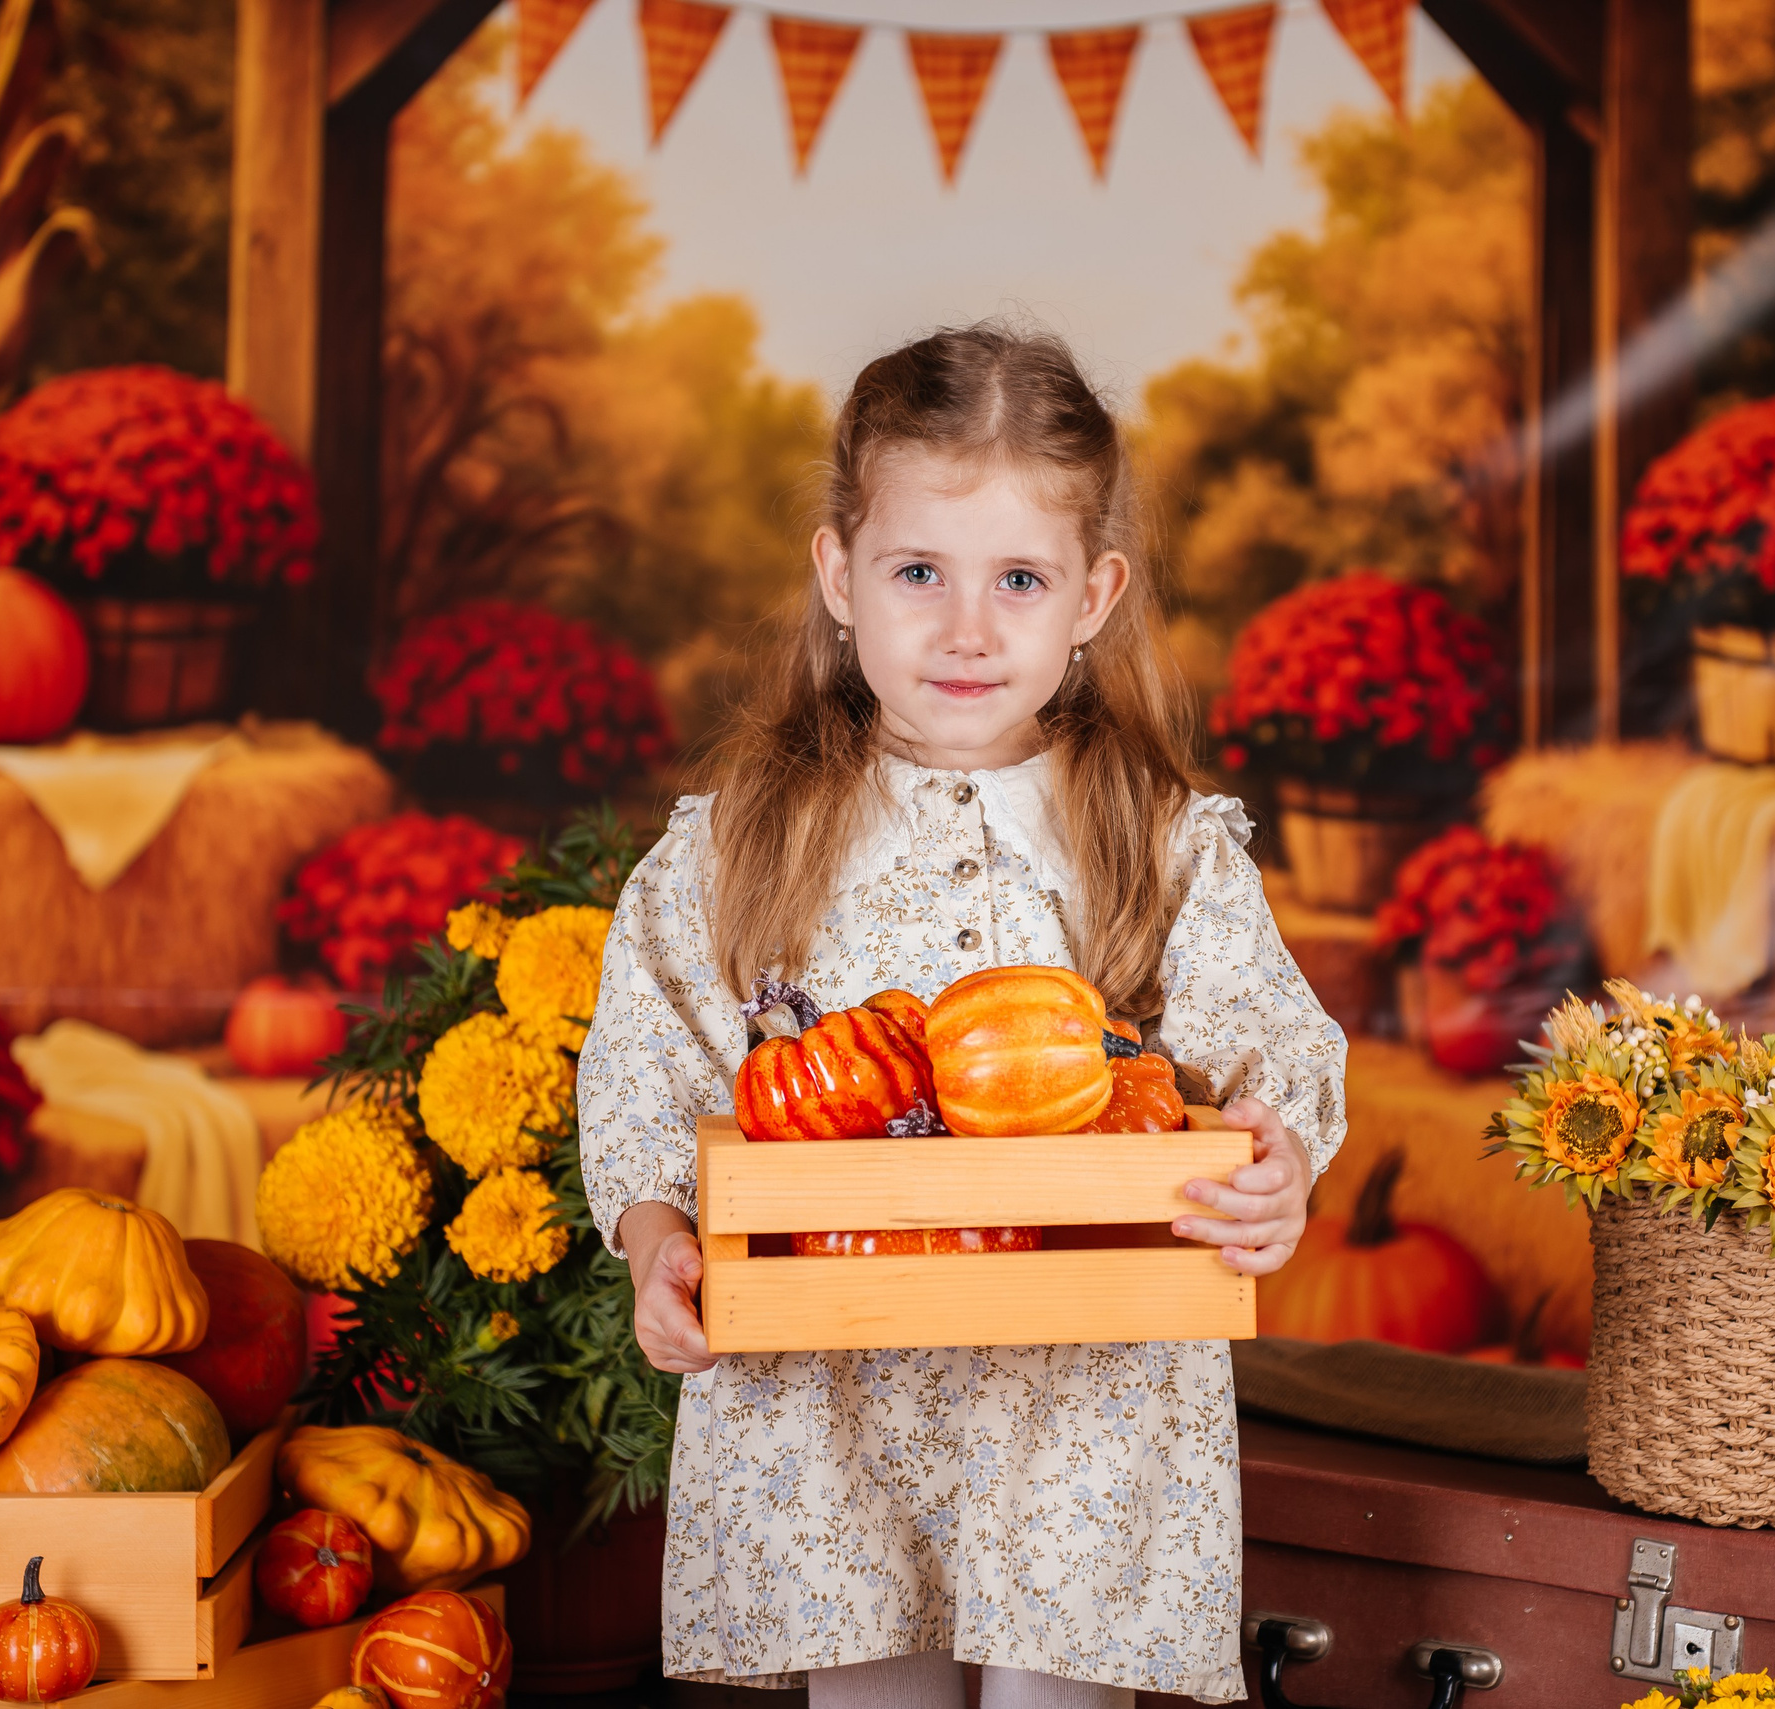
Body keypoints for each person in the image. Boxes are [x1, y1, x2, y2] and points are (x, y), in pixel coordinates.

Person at [576, 324, 1347, 1707]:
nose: (968, 626)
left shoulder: (1157, 839)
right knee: (878, 1689)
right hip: (838, 1379)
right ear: (839, 574)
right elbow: (642, 1071)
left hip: (1088, 1389)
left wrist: (1278, 1155)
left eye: (1021, 579)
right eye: (919, 571)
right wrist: (658, 1242)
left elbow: (1272, 1049)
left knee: (1060, 1688)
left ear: (1094, 595)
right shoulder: (744, 838)